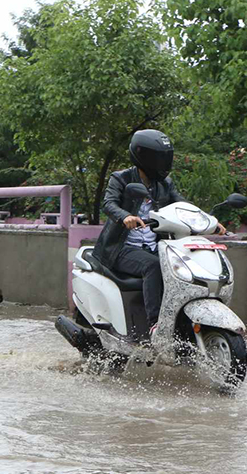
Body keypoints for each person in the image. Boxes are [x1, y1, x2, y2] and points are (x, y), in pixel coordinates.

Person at [92, 129, 225, 339]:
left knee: (180, 269)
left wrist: (210, 221)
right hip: (121, 248)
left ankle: (182, 325)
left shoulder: (164, 183)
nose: (163, 163)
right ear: (144, 156)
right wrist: (124, 216)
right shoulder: (121, 178)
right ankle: (156, 325)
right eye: (159, 158)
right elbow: (109, 203)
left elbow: (183, 205)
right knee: (153, 266)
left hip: (153, 247)